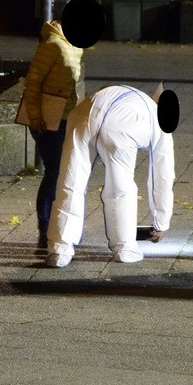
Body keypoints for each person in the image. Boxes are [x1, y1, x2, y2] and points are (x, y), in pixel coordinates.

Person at [46, 85, 176, 268]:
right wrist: (161, 222)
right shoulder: (161, 124)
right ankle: (125, 248)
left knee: (71, 180)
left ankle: (59, 249)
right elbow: (162, 176)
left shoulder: (138, 98)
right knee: (121, 187)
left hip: (86, 110)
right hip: (125, 124)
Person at [23, 19, 86, 250]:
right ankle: (46, 229)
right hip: (48, 120)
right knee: (55, 172)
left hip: (67, 119)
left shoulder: (76, 46)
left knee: (65, 173)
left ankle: (62, 228)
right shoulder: (52, 43)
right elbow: (32, 82)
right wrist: (35, 115)